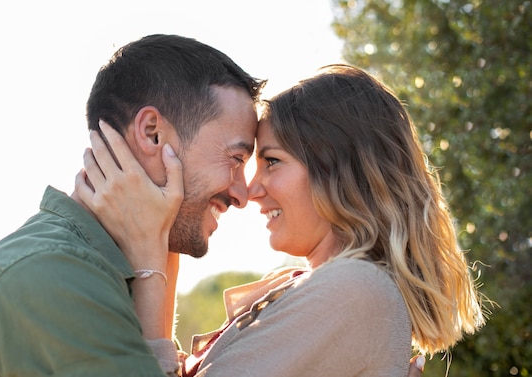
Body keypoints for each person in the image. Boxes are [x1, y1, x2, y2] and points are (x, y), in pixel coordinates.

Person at [78, 64, 484, 376]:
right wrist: (169, 232)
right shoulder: (322, 289)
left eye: (272, 161)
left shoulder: (353, 291)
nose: (253, 189)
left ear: (339, 170)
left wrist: (150, 258)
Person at [0, 34, 264, 377]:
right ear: (152, 134)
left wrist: (158, 256)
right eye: (236, 158)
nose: (242, 193)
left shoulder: (108, 269)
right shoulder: (55, 276)